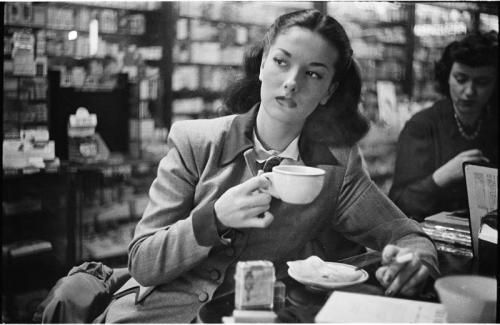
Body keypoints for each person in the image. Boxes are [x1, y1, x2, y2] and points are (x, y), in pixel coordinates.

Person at [103, 10, 439, 323]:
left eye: (313, 73)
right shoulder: (195, 141)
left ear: (328, 91)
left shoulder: (336, 166)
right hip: (159, 314)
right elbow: (143, 262)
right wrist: (214, 219)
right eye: (281, 62)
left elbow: (405, 234)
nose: (292, 82)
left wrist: (416, 262)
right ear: (263, 64)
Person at [389, 32, 498, 221]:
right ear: (446, 77)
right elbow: (398, 205)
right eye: (461, 79)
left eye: (482, 82)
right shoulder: (422, 126)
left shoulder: (494, 122)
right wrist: (441, 177)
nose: (469, 91)